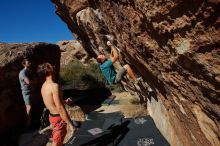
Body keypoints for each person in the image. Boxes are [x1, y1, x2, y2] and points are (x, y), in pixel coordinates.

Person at [37, 63, 76, 146]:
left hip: (52, 116)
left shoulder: (44, 86)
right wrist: (70, 124)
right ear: (49, 71)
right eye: (51, 66)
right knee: (57, 142)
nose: (54, 66)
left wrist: (64, 101)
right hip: (58, 118)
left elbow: (51, 101)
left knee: (58, 140)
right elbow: (60, 108)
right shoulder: (54, 86)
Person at [19, 59, 36, 126]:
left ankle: (31, 122)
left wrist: (32, 82)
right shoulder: (22, 73)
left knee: (32, 107)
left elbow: (35, 80)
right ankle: (28, 125)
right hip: (26, 92)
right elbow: (28, 82)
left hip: (32, 91)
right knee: (29, 107)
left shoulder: (30, 71)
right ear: (24, 64)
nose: (30, 63)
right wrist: (32, 82)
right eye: (28, 62)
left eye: (29, 62)